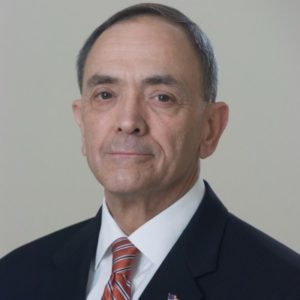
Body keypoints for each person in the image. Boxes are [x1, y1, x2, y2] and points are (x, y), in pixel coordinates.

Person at [0, 3, 300, 300]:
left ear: (211, 128)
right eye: (105, 95)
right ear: (82, 121)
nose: (128, 121)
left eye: (162, 97)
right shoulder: (15, 276)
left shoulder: (283, 285)